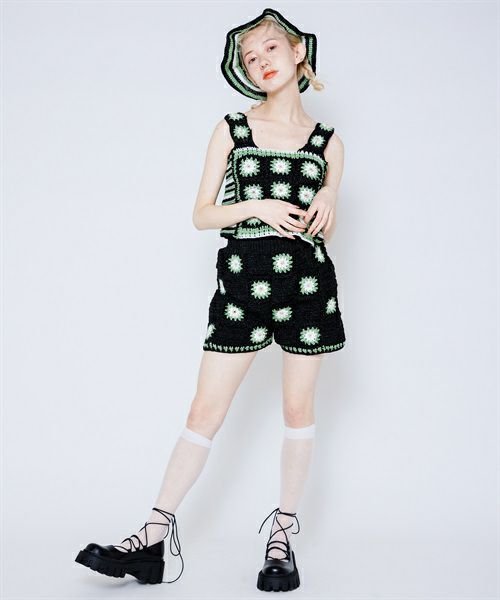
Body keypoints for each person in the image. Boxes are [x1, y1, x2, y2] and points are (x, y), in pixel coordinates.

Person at [75, 7, 346, 592]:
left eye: (270, 48)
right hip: (242, 285)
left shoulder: (329, 143)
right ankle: (151, 539)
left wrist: (330, 198)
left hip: (306, 288)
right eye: (250, 57)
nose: (260, 61)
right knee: (204, 412)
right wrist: (257, 206)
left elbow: (327, 214)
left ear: (298, 50)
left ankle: (282, 541)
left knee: (297, 410)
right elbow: (202, 214)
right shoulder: (232, 129)